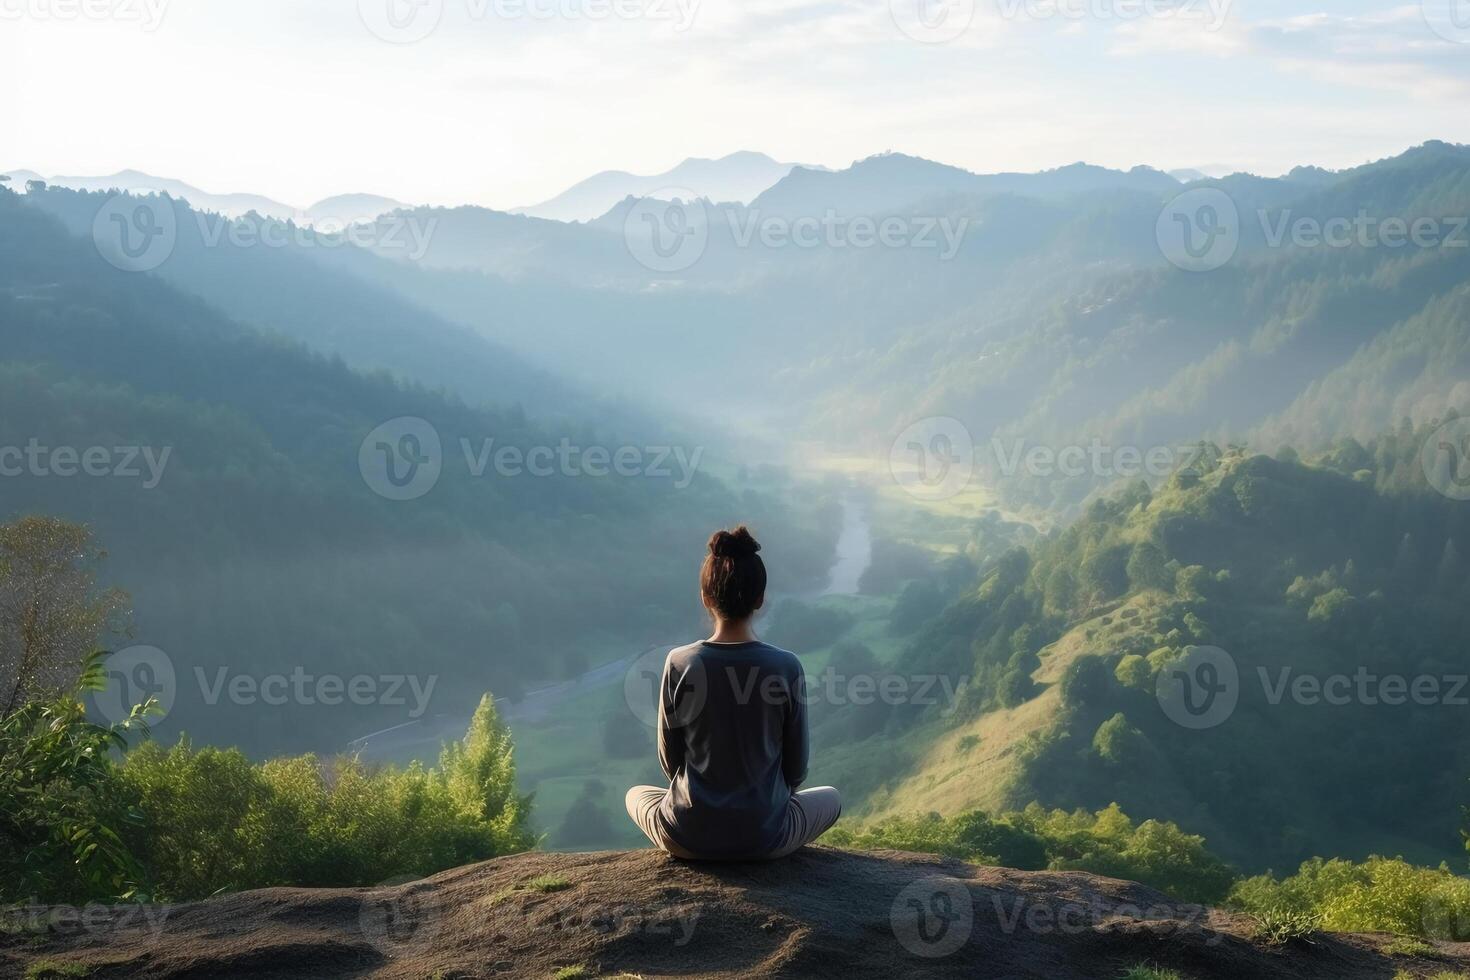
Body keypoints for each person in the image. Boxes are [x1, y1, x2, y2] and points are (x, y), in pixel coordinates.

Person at [625, 525, 842, 860]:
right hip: (764, 839)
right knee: (831, 797)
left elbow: (671, 764)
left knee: (636, 794)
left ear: (705, 597)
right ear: (760, 599)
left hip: (689, 837)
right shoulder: (786, 666)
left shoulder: (680, 662)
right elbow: (796, 771)